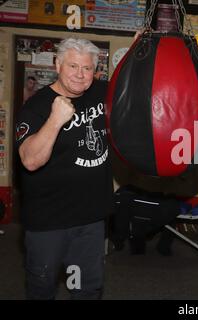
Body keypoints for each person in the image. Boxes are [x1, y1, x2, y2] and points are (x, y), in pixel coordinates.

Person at [15, 38, 113, 299]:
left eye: (87, 68)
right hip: (49, 222)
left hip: (90, 220)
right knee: (43, 289)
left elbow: (137, 82)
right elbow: (30, 160)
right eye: (73, 66)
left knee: (85, 288)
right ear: (58, 64)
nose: (80, 75)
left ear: (96, 70)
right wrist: (55, 120)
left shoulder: (102, 92)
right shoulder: (36, 107)